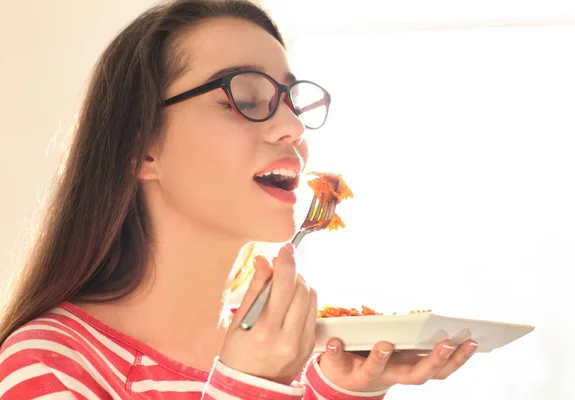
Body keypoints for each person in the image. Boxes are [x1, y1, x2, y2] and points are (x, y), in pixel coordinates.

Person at [0, 0, 477, 398]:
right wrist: (252, 384)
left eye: (292, 100)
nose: (293, 127)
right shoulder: (48, 365)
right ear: (140, 149)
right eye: (245, 100)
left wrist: (337, 389)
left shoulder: (291, 356)